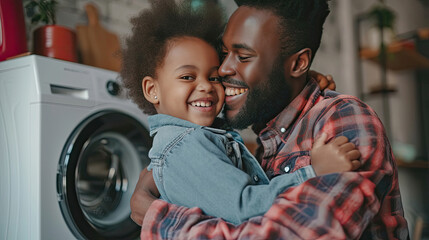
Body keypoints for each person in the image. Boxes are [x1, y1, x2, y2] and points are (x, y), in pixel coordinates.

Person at [131, 0, 410, 239]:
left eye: (242, 55)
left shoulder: (345, 118)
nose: (224, 69)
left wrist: (158, 219)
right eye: (225, 53)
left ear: (299, 64)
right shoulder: (264, 135)